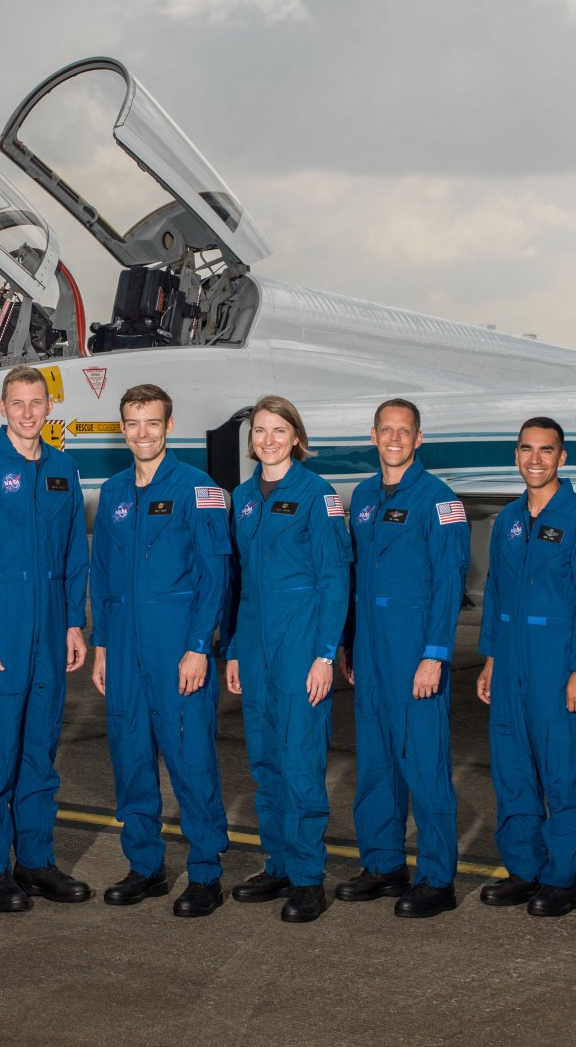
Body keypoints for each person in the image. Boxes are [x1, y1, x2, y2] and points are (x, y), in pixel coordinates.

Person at [0, 366, 92, 913]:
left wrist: (74, 622)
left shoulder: (63, 468)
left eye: (37, 402)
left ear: (48, 407)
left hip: (51, 629)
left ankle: (35, 861)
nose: (28, 412)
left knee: (39, 750)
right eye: (18, 402)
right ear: (1, 407)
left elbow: (75, 549)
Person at [89, 383, 233, 918]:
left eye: (152, 422)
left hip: (178, 648)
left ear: (170, 427)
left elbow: (215, 578)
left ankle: (205, 872)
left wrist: (199, 647)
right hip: (124, 650)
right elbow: (102, 574)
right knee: (130, 761)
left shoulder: (199, 490)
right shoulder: (114, 492)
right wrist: (102, 645)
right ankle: (144, 866)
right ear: (122, 429)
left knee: (190, 759)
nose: (142, 433)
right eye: (132, 423)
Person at [475, 416, 576, 917]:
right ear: (517, 454)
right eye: (526, 449)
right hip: (511, 660)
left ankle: (561, 878)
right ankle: (524, 869)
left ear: (562, 457)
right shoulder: (509, 520)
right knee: (513, 770)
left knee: (561, 773)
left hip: (557, 664)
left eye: (545, 450)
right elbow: (494, 593)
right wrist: (490, 657)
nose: (535, 459)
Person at [336, 399, 470, 919]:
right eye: (386, 430)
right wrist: (350, 643)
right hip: (370, 649)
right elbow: (355, 579)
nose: (394, 438)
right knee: (375, 761)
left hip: (415, 647)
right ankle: (383, 863)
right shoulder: (365, 495)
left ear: (418, 439)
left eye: (404, 431)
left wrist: (435, 655)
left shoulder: (440, 501)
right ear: (373, 435)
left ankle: (438, 877)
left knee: (425, 763)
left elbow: (448, 585)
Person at [225, 395, 350, 923]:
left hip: (301, 643)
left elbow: (335, 579)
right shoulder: (243, 497)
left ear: (296, 437)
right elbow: (242, 585)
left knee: (300, 762)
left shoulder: (318, 495)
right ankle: (277, 862)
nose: (268, 439)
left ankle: (307, 877)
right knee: (265, 760)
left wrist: (325, 654)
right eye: (260, 431)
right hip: (255, 644)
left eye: (279, 430)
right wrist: (232, 648)